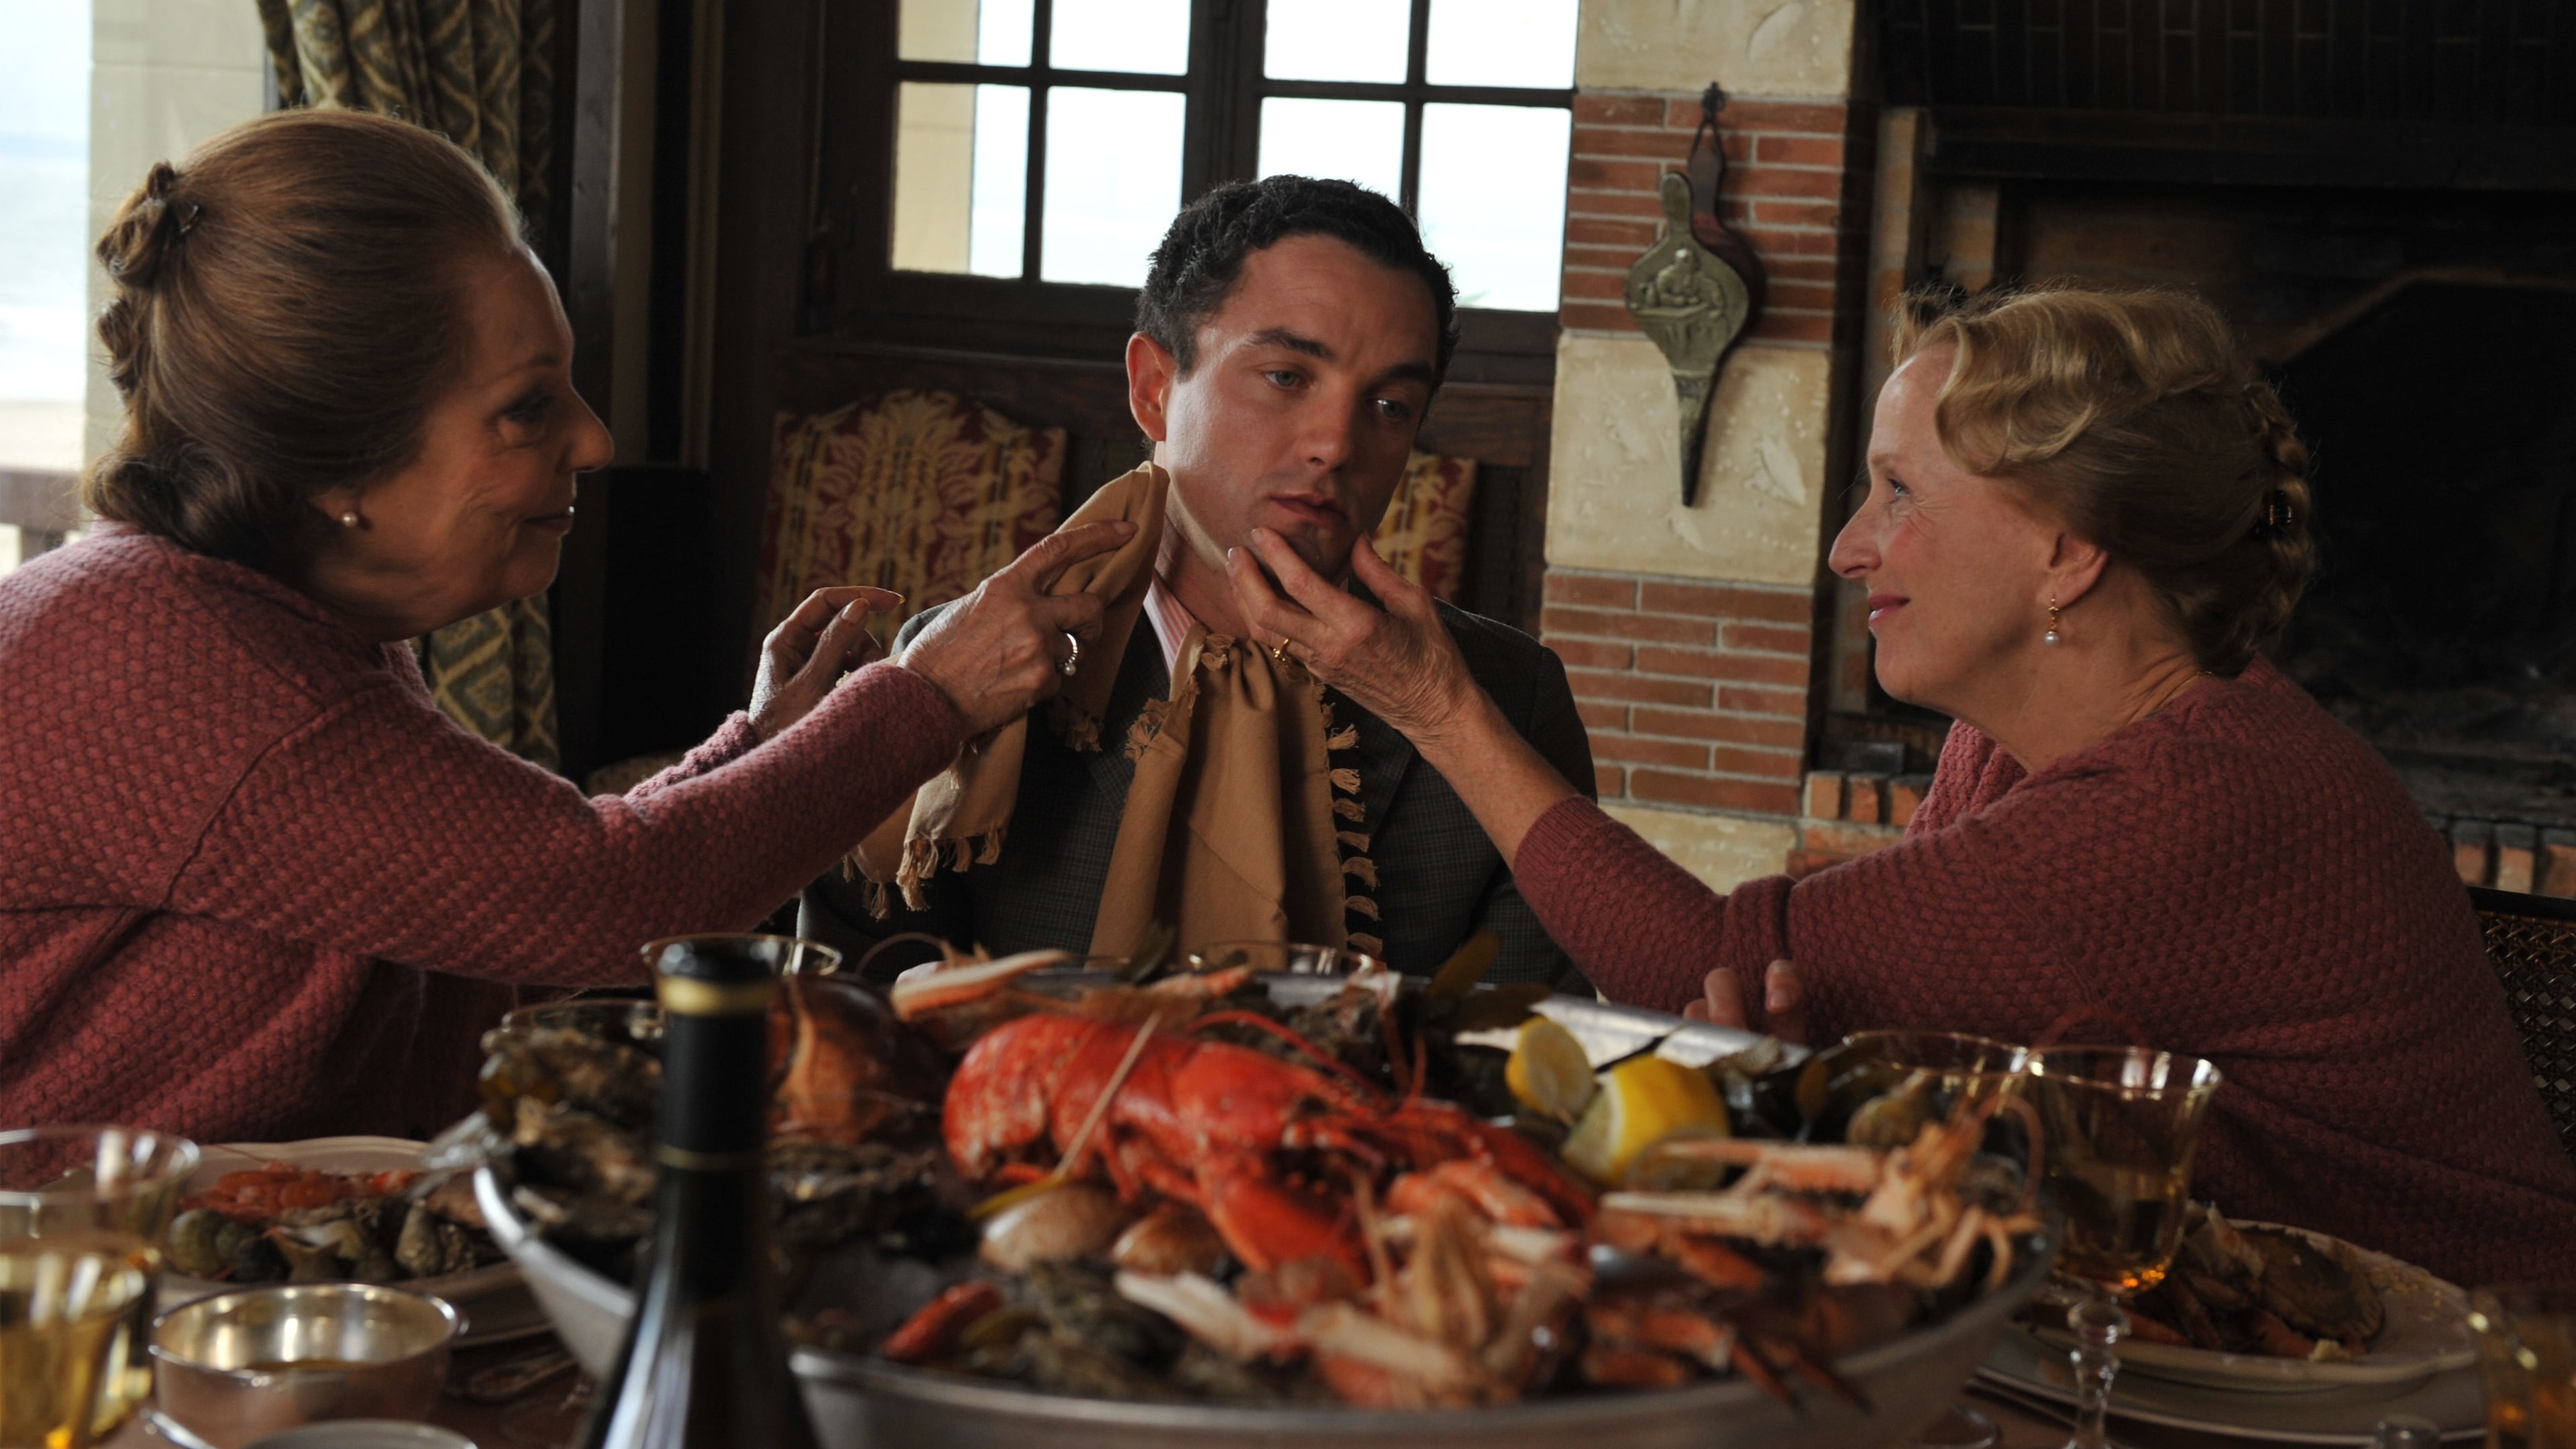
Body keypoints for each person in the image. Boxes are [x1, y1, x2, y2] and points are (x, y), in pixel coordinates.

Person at [1230, 283, 2576, 1285]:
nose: (1847, 549)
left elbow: (1704, 964)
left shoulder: (2197, 799)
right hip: (2212, 1330)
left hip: (2474, 1385)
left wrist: (1437, 706)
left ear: (2067, 550)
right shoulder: (2006, 740)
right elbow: (1802, 1002)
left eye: (1896, 492)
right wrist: (1814, 1017)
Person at [0, 109, 1126, 1145]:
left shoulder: (262, 618)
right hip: (75, 1280)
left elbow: (501, 910)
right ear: (335, 468)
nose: (594, 441)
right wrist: (927, 698)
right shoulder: (177, 668)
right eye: (528, 407)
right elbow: (604, 900)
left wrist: (762, 746)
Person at [799, 176, 1593, 985]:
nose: (1336, 445)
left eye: (1389, 405)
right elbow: (854, 1006)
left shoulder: (1508, 699)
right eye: (1287, 377)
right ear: (1154, 390)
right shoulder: (962, 666)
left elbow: (1533, 1041)